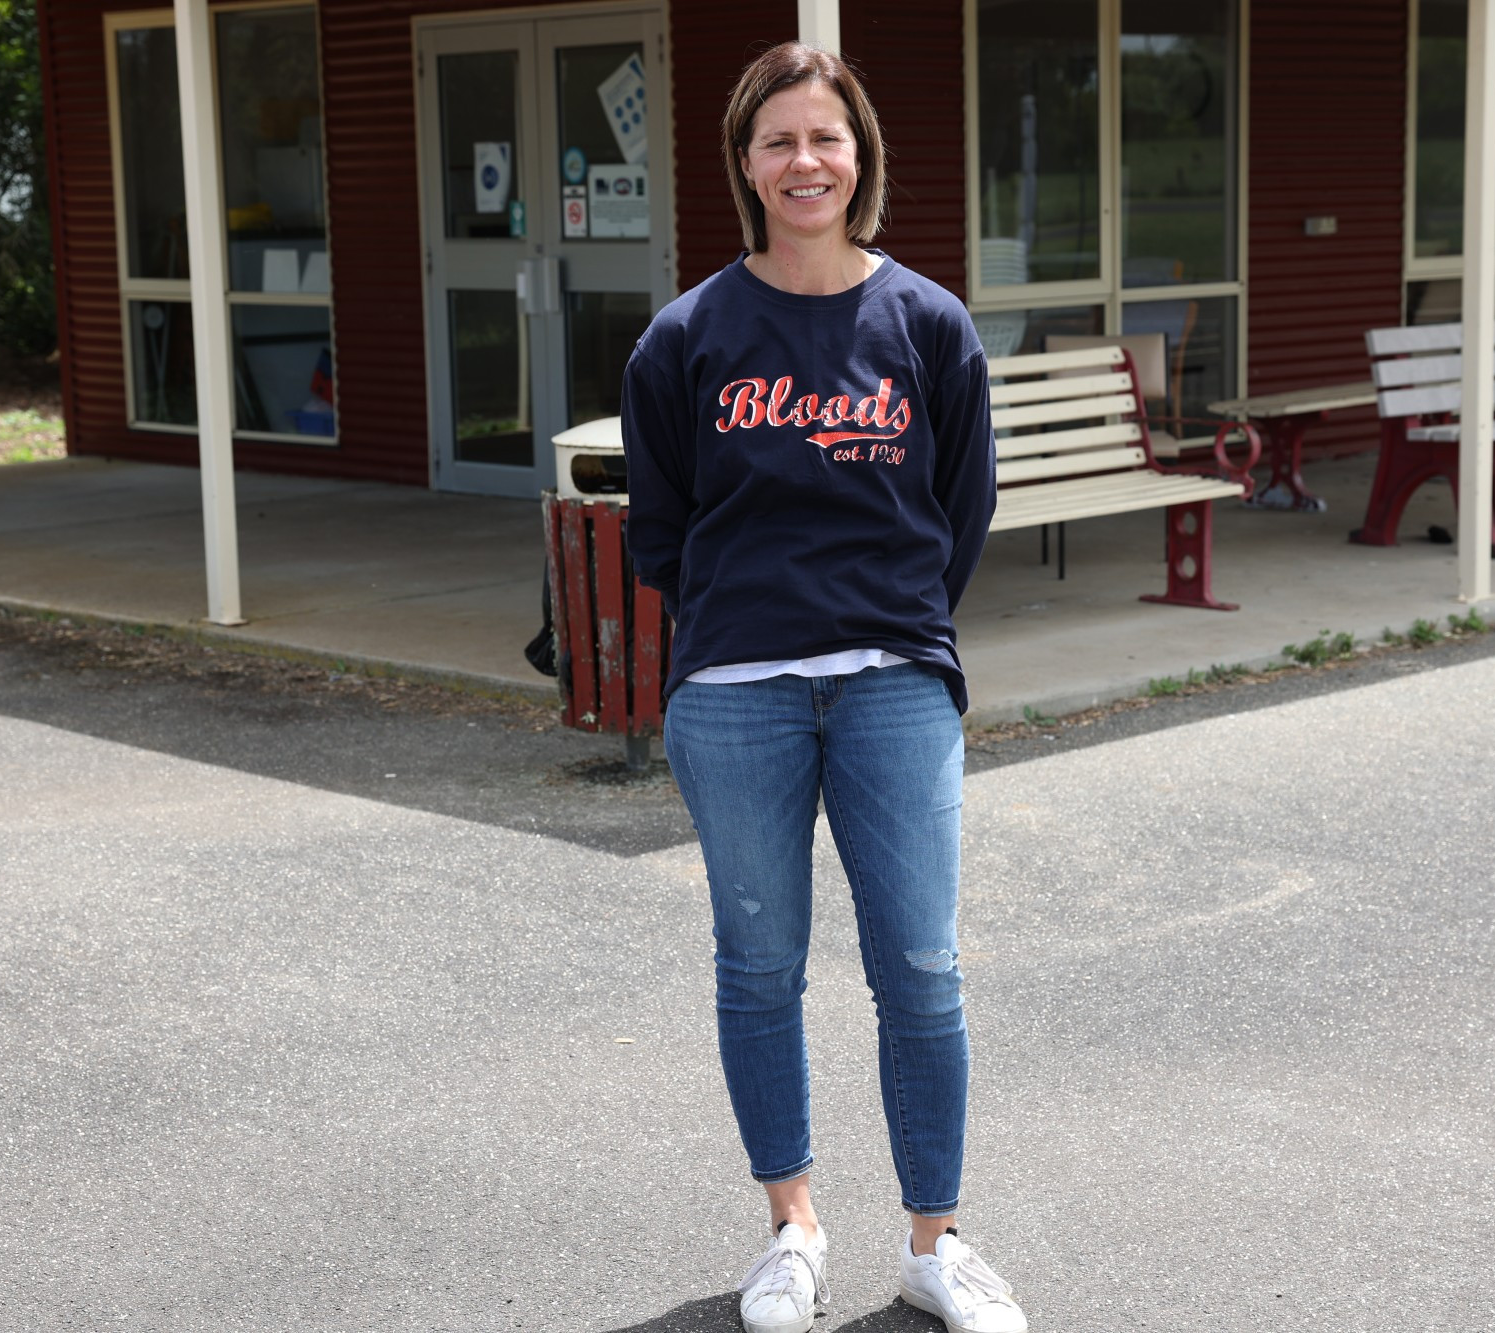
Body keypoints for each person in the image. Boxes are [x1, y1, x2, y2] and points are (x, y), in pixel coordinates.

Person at [619, 39, 1027, 1333]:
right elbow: (661, 534)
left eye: (828, 138)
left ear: (863, 160)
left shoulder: (925, 325)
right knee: (758, 967)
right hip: (735, 689)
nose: (807, 161)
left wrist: (886, 620)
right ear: (746, 163)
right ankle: (792, 1228)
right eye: (781, 139)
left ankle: (935, 1243)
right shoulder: (687, 338)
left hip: (894, 682)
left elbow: (961, 507)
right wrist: (754, 619)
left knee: (921, 966)